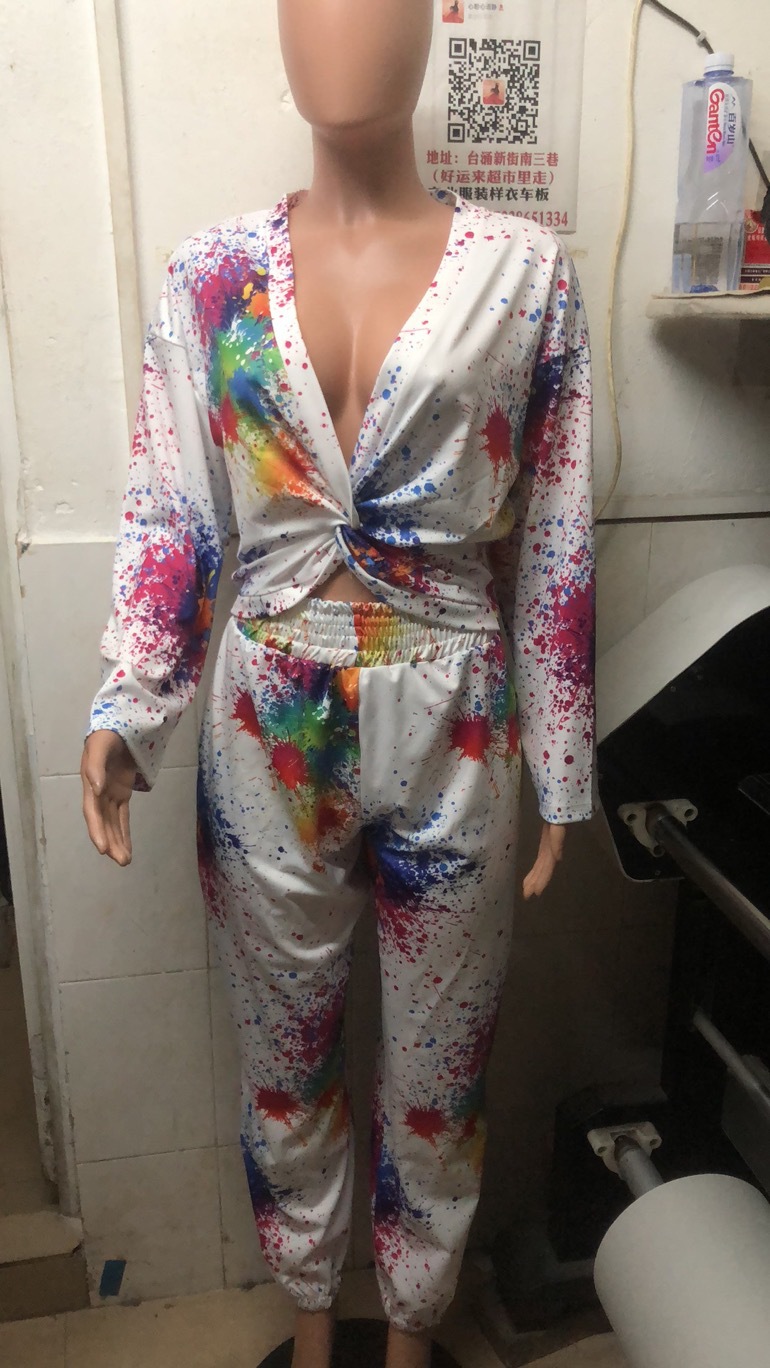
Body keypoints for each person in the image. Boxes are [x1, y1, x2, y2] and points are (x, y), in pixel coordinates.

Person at [81, 2, 595, 1365]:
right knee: (284, 1063)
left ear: (433, 21)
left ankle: (412, 1336)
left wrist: (561, 760)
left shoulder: (527, 276)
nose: (338, 24)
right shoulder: (208, 275)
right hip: (270, 723)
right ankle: (314, 1335)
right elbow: (175, 512)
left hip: (457, 720)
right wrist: (132, 704)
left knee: (439, 1074)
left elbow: (552, 533)